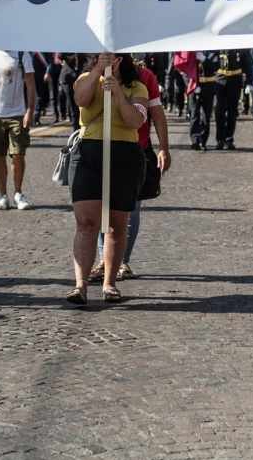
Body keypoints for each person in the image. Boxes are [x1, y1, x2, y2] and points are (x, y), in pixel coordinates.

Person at [68, 54, 148, 305]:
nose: (111, 61)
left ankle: (109, 284)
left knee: (116, 224)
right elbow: (80, 100)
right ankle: (80, 285)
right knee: (86, 222)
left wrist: (118, 94)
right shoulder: (85, 78)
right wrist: (97, 75)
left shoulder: (137, 87)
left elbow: (135, 120)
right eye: (105, 57)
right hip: (90, 152)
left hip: (124, 154)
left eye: (115, 58)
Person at [92, 57, 171, 282]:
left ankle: (122, 261)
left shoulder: (145, 77)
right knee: (100, 206)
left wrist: (164, 148)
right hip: (99, 149)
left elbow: (157, 114)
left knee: (130, 210)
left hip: (136, 150)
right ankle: (103, 260)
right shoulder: (94, 75)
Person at [0, 49, 36, 211]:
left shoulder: (21, 54)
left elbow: (30, 84)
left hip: (17, 113)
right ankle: (2, 195)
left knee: (18, 154)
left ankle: (18, 193)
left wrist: (30, 111)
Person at [213, 50, 248, 150]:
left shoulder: (239, 45)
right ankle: (220, 139)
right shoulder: (217, 45)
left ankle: (229, 139)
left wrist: (249, 82)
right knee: (219, 111)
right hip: (220, 80)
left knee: (232, 111)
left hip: (235, 80)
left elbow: (247, 62)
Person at [189, 51, 219, 150]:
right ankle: (195, 140)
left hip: (208, 87)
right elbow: (184, 70)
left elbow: (216, 67)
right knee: (194, 114)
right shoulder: (191, 53)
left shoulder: (213, 53)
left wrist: (204, 60)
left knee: (206, 115)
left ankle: (203, 140)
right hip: (195, 87)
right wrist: (192, 84)